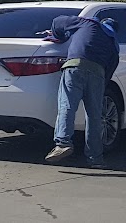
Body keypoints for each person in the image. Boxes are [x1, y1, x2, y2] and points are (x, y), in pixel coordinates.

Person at [44, 16, 120, 168]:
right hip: (98, 74)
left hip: (75, 67)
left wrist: (59, 36)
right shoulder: (113, 44)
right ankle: (95, 158)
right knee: (94, 116)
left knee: (67, 106)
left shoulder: (87, 23)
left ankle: (63, 143)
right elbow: (110, 69)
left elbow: (57, 22)